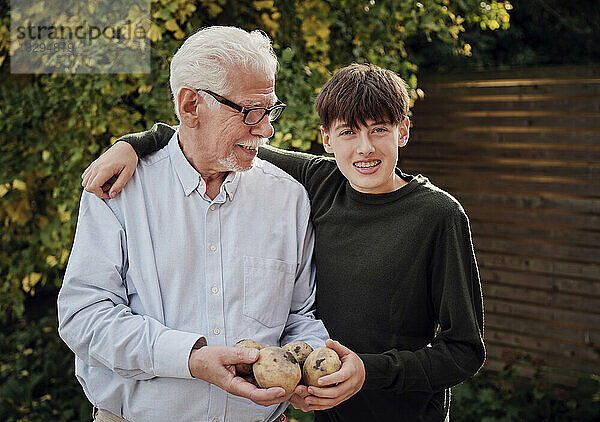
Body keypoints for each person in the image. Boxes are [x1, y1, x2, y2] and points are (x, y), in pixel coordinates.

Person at [82, 63, 485, 421]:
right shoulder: (322, 182)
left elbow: (465, 351)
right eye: (349, 132)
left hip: (407, 415)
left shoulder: (439, 216)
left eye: (379, 130)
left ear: (403, 131)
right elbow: (210, 136)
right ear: (326, 139)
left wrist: (368, 371)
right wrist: (134, 144)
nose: (365, 148)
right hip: (326, 411)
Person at [58, 26, 366, 422]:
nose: (267, 129)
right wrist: (190, 358)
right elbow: (84, 316)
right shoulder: (118, 190)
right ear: (190, 106)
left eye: (270, 111)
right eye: (250, 112)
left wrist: (316, 369)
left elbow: (298, 317)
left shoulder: (288, 198)